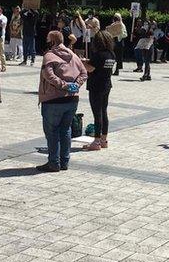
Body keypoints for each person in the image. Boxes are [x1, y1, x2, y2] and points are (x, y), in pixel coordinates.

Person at [37, 30, 88, 172]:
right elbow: (84, 72)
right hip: (72, 98)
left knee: (52, 131)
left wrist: (63, 85)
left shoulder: (49, 55)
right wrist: (76, 85)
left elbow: (48, 75)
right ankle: (64, 161)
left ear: (51, 41)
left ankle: (54, 162)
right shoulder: (73, 55)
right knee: (66, 130)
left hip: (53, 98)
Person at [83, 31, 116, 151]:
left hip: (96, 86)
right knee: (104, 112)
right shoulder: (111, 54)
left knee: (97, 114)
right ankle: (103, 139)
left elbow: (90, 68)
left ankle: (96, 141)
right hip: (107, 85)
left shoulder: (98, 55)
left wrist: (82, 63)